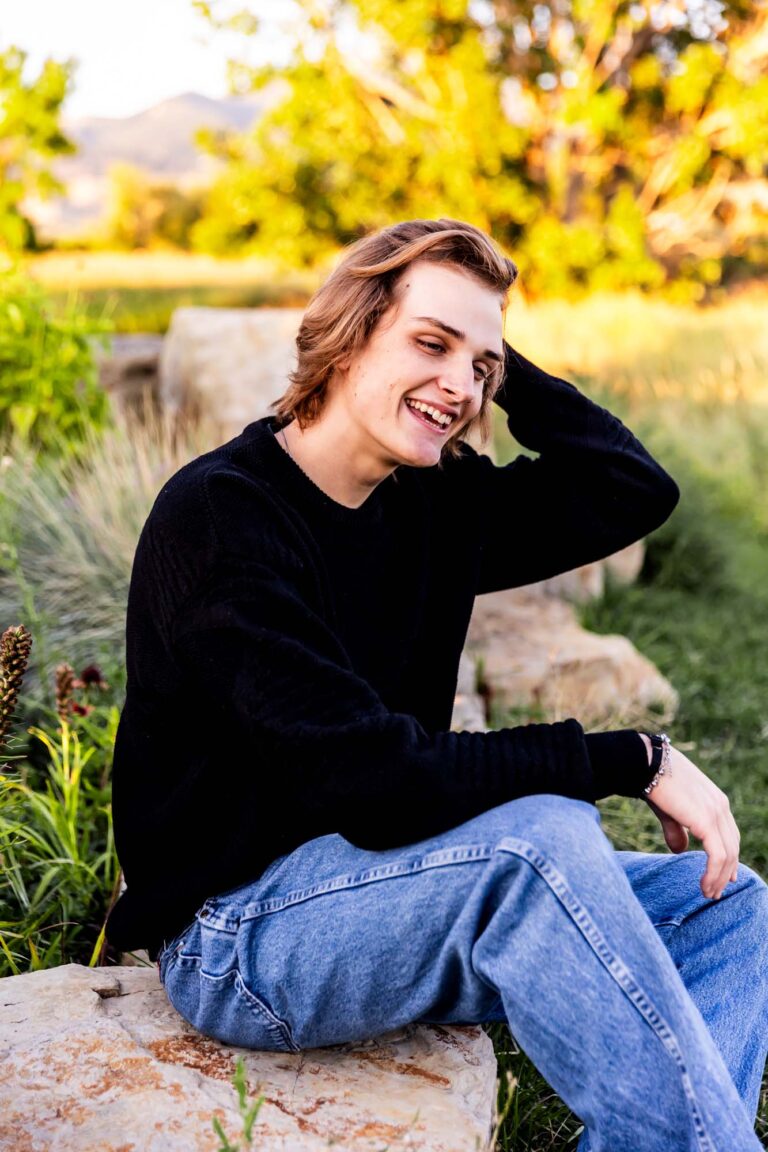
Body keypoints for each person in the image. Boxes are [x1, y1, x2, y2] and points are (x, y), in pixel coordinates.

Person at [107, 218, 768, 1150]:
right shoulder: (222, 518)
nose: (460, 387)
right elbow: (375, 782)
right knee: (542, 835)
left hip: (393, 884)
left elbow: (631, 489)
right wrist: (632, 758)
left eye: (481, 369)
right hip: (239, 932)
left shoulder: (432, 502)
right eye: (429, 343)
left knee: (728, 907)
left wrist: (480, 349)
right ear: (348, 331)